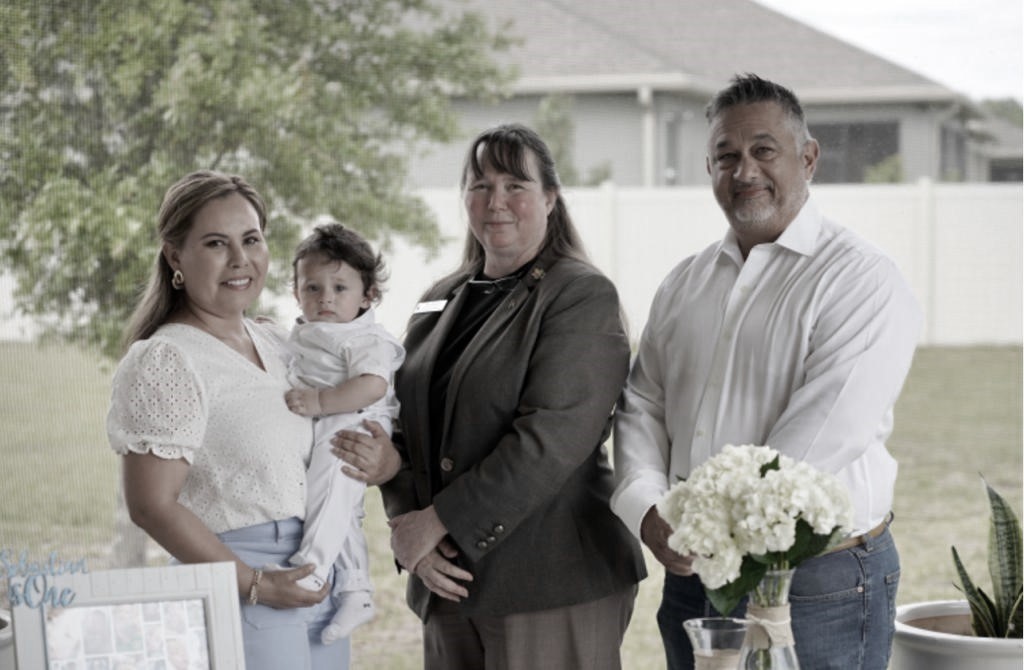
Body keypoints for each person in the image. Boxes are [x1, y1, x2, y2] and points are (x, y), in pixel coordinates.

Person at [611, 74, 922, 670]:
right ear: (709, 169)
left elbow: (819, 438)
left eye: (763, 150)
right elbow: (642, 405)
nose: (744, 170)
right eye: (726, 156)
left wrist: (704, 528)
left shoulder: (861, 280)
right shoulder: (685, 282)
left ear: (808, 158)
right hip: (692, 574)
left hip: (817, 584)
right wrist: (647, 508)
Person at [335, 123, 646, 670]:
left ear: (550, 198)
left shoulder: (578, 294)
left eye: (514, 185)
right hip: (448, 582)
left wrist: (437, 522)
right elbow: (402, 430)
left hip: (550, 581)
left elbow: (551, 438)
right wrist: (411, 527)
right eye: (479, 185)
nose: (495, 201)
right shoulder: (440, 299)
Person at [106, 170, 383, 670]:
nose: (241, 260)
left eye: (251, 239)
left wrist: (382, 459)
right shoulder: (168, 358)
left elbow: (338, 429)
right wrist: (254, 583)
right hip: (240, 584)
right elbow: (150, 505)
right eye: (216, 243)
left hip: (319, 573)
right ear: (175, 256)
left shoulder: (280, 343)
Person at [281, 222, 405, 643]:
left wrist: (319, 402)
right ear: (296, 292)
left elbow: (372, 384)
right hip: (332, 415)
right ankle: (355, 588)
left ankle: (312, 570)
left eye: (339, 288)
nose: (325, 298)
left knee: (329, 490)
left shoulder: (362, 336)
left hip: (357, 418)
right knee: (340, 509)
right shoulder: (310, 330)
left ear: (368, 296)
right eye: (312, 288)